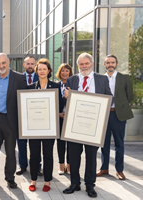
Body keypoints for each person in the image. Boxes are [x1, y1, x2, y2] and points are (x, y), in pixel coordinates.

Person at [63, 53, 112, 198]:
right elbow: (67, 102)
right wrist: (66, 96)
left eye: (86, 64)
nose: (84, 67)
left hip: (93, 126)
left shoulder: (102, 79)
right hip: (75, 125)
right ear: (78, 66)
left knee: (91, 156)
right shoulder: (71, 80)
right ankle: (74, 183)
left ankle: (90, 185)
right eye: (81, 64)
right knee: (73, 156)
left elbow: (109, 98)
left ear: (91, 64)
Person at [0, 53, 26, 189]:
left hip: (10, 120)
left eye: (3, 63)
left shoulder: (19, 78)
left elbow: (24, 100)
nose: (1, 66)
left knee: (10, 151)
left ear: (8, 62)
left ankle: (10, 178)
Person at [27, 58, 61, 192]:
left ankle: (47, 181)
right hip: (34, 127)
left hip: (49, 127)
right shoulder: (30, 87)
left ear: (49, 71)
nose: (42, 71)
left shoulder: (56, 86)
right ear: (36, 71)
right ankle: (33, 180)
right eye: (39, 69)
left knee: (48, 154)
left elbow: (60, 105)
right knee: (34, 154)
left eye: (44, 69)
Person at [97, 54, 133, 180]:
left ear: (116, 64)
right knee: (104, 143)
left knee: (119, 143)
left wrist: (119, 106)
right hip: (104, 114)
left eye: (112, 62)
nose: (110, 64)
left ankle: (119, 170)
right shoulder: (100, 79)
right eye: (107, 62)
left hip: (118, 115)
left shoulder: (124, 78)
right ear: (104, 65)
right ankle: (104, 168)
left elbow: (130, 96)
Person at [17, 56, 41, 176]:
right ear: (24, 65)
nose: (30, 66)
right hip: (20, 116)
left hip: (35, 116)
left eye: (32, 64)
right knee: (21, 143)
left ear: (35, 64)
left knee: (35, 143)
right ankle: (22, 166)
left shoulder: (40, 77)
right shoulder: (18, 78)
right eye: (28, 64)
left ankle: (38, 166)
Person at [55, 63, 73, 175]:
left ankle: (69, 164)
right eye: (62, 70)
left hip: (71, 118)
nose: (64, 73)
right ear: (59, 73)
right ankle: (61, 164)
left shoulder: (74, 85)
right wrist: (58, 113)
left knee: (70, 143)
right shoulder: (55, 85)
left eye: (67, 70)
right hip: (59, 118)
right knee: (60, 142)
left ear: (70, 72)